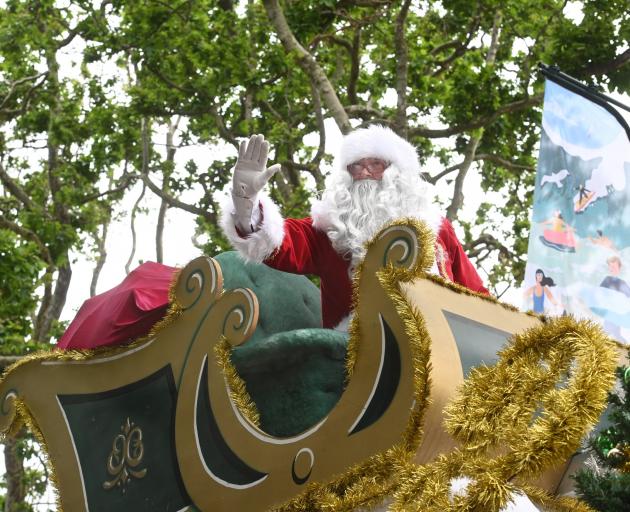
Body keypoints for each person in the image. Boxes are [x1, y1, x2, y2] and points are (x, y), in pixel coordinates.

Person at [220, 126, 489, 330]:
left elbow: (477, 296)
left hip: (447, 354)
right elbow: (280, 243)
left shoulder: (439, 230)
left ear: (399, 172)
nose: (364, 173)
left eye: (375, 164)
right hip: (360, 364)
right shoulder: (332, 230)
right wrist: (246, 203)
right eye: (356, 166)